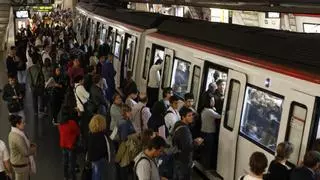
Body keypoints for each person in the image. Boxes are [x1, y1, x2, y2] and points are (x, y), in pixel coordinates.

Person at [172, 107, 203, 180]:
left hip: (178, 159)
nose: (191, 117)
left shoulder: (178, 124)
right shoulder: (184, 130)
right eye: (189, 116)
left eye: (192, 115)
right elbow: (187, 148)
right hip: (184, 162)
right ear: (183, 117)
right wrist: (197, 143)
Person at [58, 91, 80, 180]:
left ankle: (65, 176)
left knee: (65, 161)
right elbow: (78, 132)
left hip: (63, 144)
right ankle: (73, 176)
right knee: (72, 162)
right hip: (71, 144)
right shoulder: (72, 123)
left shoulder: (60, 123)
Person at [88, 115, 116, 180]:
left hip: (93, 159)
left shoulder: (91, 134)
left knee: (95, 175)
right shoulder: (103, 136)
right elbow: (105, 149)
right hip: (101, 159)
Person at [8, 115, 37, 180]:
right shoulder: (17, 137)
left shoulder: (13, 133)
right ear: (17, 124)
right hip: (20, 166)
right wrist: (34, 148)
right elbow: (25, 152)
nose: (24, 124)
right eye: (22, 123)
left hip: (17, 163)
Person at [200, 97, 221, 169]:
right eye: (212, 100)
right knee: (208, 151)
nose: (214, 101)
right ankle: (207, 166)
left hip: (204, 132)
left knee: (205, 150)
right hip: (209, 134)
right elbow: (220, 116)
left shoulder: (204, 110)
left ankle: (204, 165)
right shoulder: (210, 111)